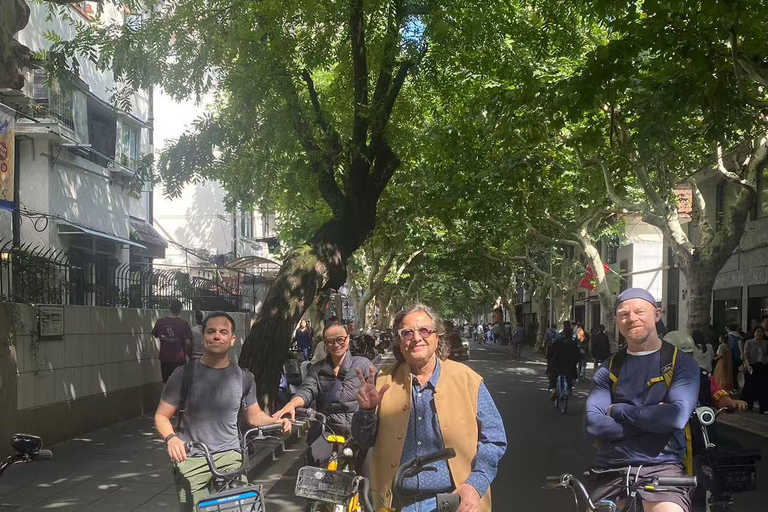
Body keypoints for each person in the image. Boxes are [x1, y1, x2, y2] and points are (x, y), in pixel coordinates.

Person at [352, 304, 506, 512]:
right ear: (399, 341)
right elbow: (363, 440)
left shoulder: (468, 380)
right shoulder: (382, 382)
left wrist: (475, 485)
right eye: (407, 333)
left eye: (424, 330)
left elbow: (495, 439)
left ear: (437, 337)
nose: (416, 338)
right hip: (395, 502)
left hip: (455, 501)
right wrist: (367, 412)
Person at [154, 312, 292, 511]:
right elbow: (161, 416)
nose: (217, 336)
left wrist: (276, 422)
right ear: (203, 338)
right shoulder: (183, 375)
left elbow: (254, 416)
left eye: (223, 332)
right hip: (192, 459)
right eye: (211, 332)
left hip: (231, 458)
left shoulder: (244, 378)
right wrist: (171, 438)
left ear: (232, 339)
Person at [585, 288, 699, 512]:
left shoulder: (681, 364)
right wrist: (653, 421)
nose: (632, 318)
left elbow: (674, 418)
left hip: (663, 468)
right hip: (611, 469)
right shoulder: (608, 368)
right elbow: (593, 424)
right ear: (617, 321)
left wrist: (618, 411)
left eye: (640, 311)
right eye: (624, 314)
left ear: (657, 315)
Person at [272, 321, 372, 463]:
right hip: (328, 432)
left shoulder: (363, 365)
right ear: (325, 344)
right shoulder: (317, 370)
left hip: (359, 434)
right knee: (313, 471)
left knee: (371, 476)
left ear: (348, 338)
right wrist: (292, 404)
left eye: (340, 339)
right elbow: (306, 390)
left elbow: (378, 396)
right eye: (330, 341)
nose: (336, 345)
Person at [152, 300, 194, 383]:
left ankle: (166, 396)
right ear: (180, 310)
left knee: (166, 382)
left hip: (165, 357)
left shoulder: (160, 322)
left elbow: (155, 334)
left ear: (170, 308)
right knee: (179, 383)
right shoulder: (183, 324)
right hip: (179, 359)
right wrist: (190, 355)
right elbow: (188, 342)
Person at [547, 322, 580, 401]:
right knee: (572, 376)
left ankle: (554, 389)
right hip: (570, 366)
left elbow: (550, 352)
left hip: (557, 365)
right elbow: (577, 355)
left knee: (552, 375)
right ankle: (569, 388)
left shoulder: (558, 341)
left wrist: (549, 359)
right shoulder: (573, 343)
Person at [741, 326, 768, 413]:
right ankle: (748, 404)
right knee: (750, 386)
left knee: (763, 387)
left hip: (762, 366)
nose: (759, 334)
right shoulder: (749, 342)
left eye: (761, 332)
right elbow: (746, 355)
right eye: (758, 332)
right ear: (754, 333)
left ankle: (764, 408)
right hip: (752, 365)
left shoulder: (765, 343)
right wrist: (748, 365)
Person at [725, 323, 743, 391]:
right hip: (738, 357)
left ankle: (731, 386)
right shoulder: (740, 337)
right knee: (735, 373)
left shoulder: (727, 337)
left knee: (729, 372)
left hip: (729, 356)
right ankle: (735, 386)